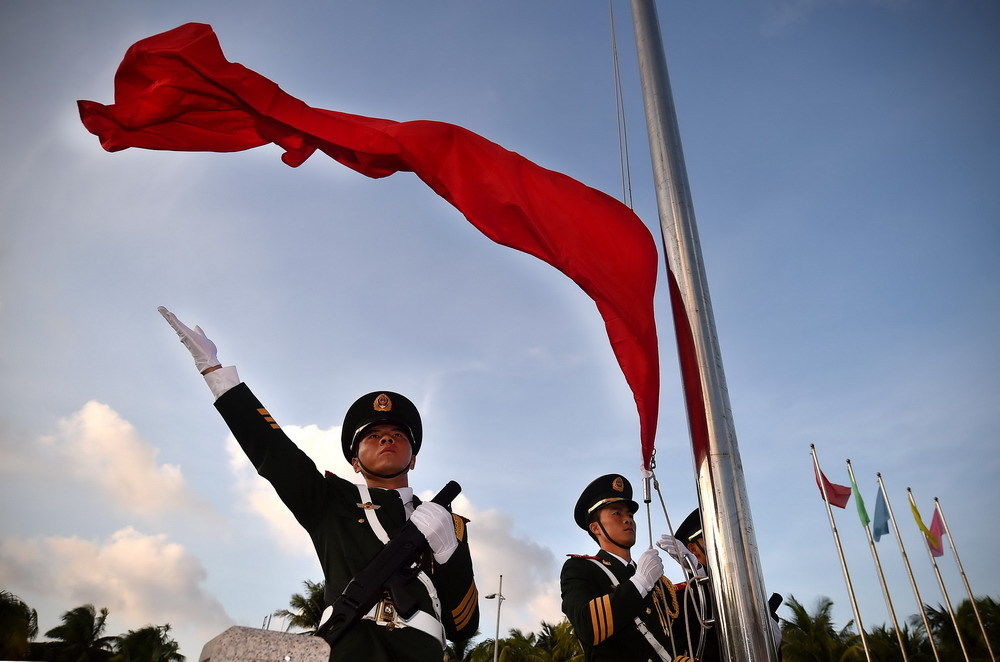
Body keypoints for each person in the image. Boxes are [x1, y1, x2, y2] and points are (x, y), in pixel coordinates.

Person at [158, 307, 478, 662]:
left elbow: (463, 624)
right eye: (373, 436)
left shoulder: (448, 524)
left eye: (397, 434)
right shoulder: (330, 502)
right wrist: (216, 374)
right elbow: (276, 456)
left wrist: (448, 552)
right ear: (355, 462)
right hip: (347, 647)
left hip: (421, 651)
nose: (386, 440)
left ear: (413, 458)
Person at [560, 474, 698, 662]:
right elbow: (588, 627)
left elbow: (694, 627)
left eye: (630, 515)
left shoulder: (653, 579)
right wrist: (640, 582)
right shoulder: (580, 568)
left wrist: (696, 570)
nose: (628, 520)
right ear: (596, 528)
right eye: (617, 513)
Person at [660, 509, 783, 660]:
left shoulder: (751, 599)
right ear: (693, 550)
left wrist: (767, 628)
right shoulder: (679, 600)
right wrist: (699, 575)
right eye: (715, 541)